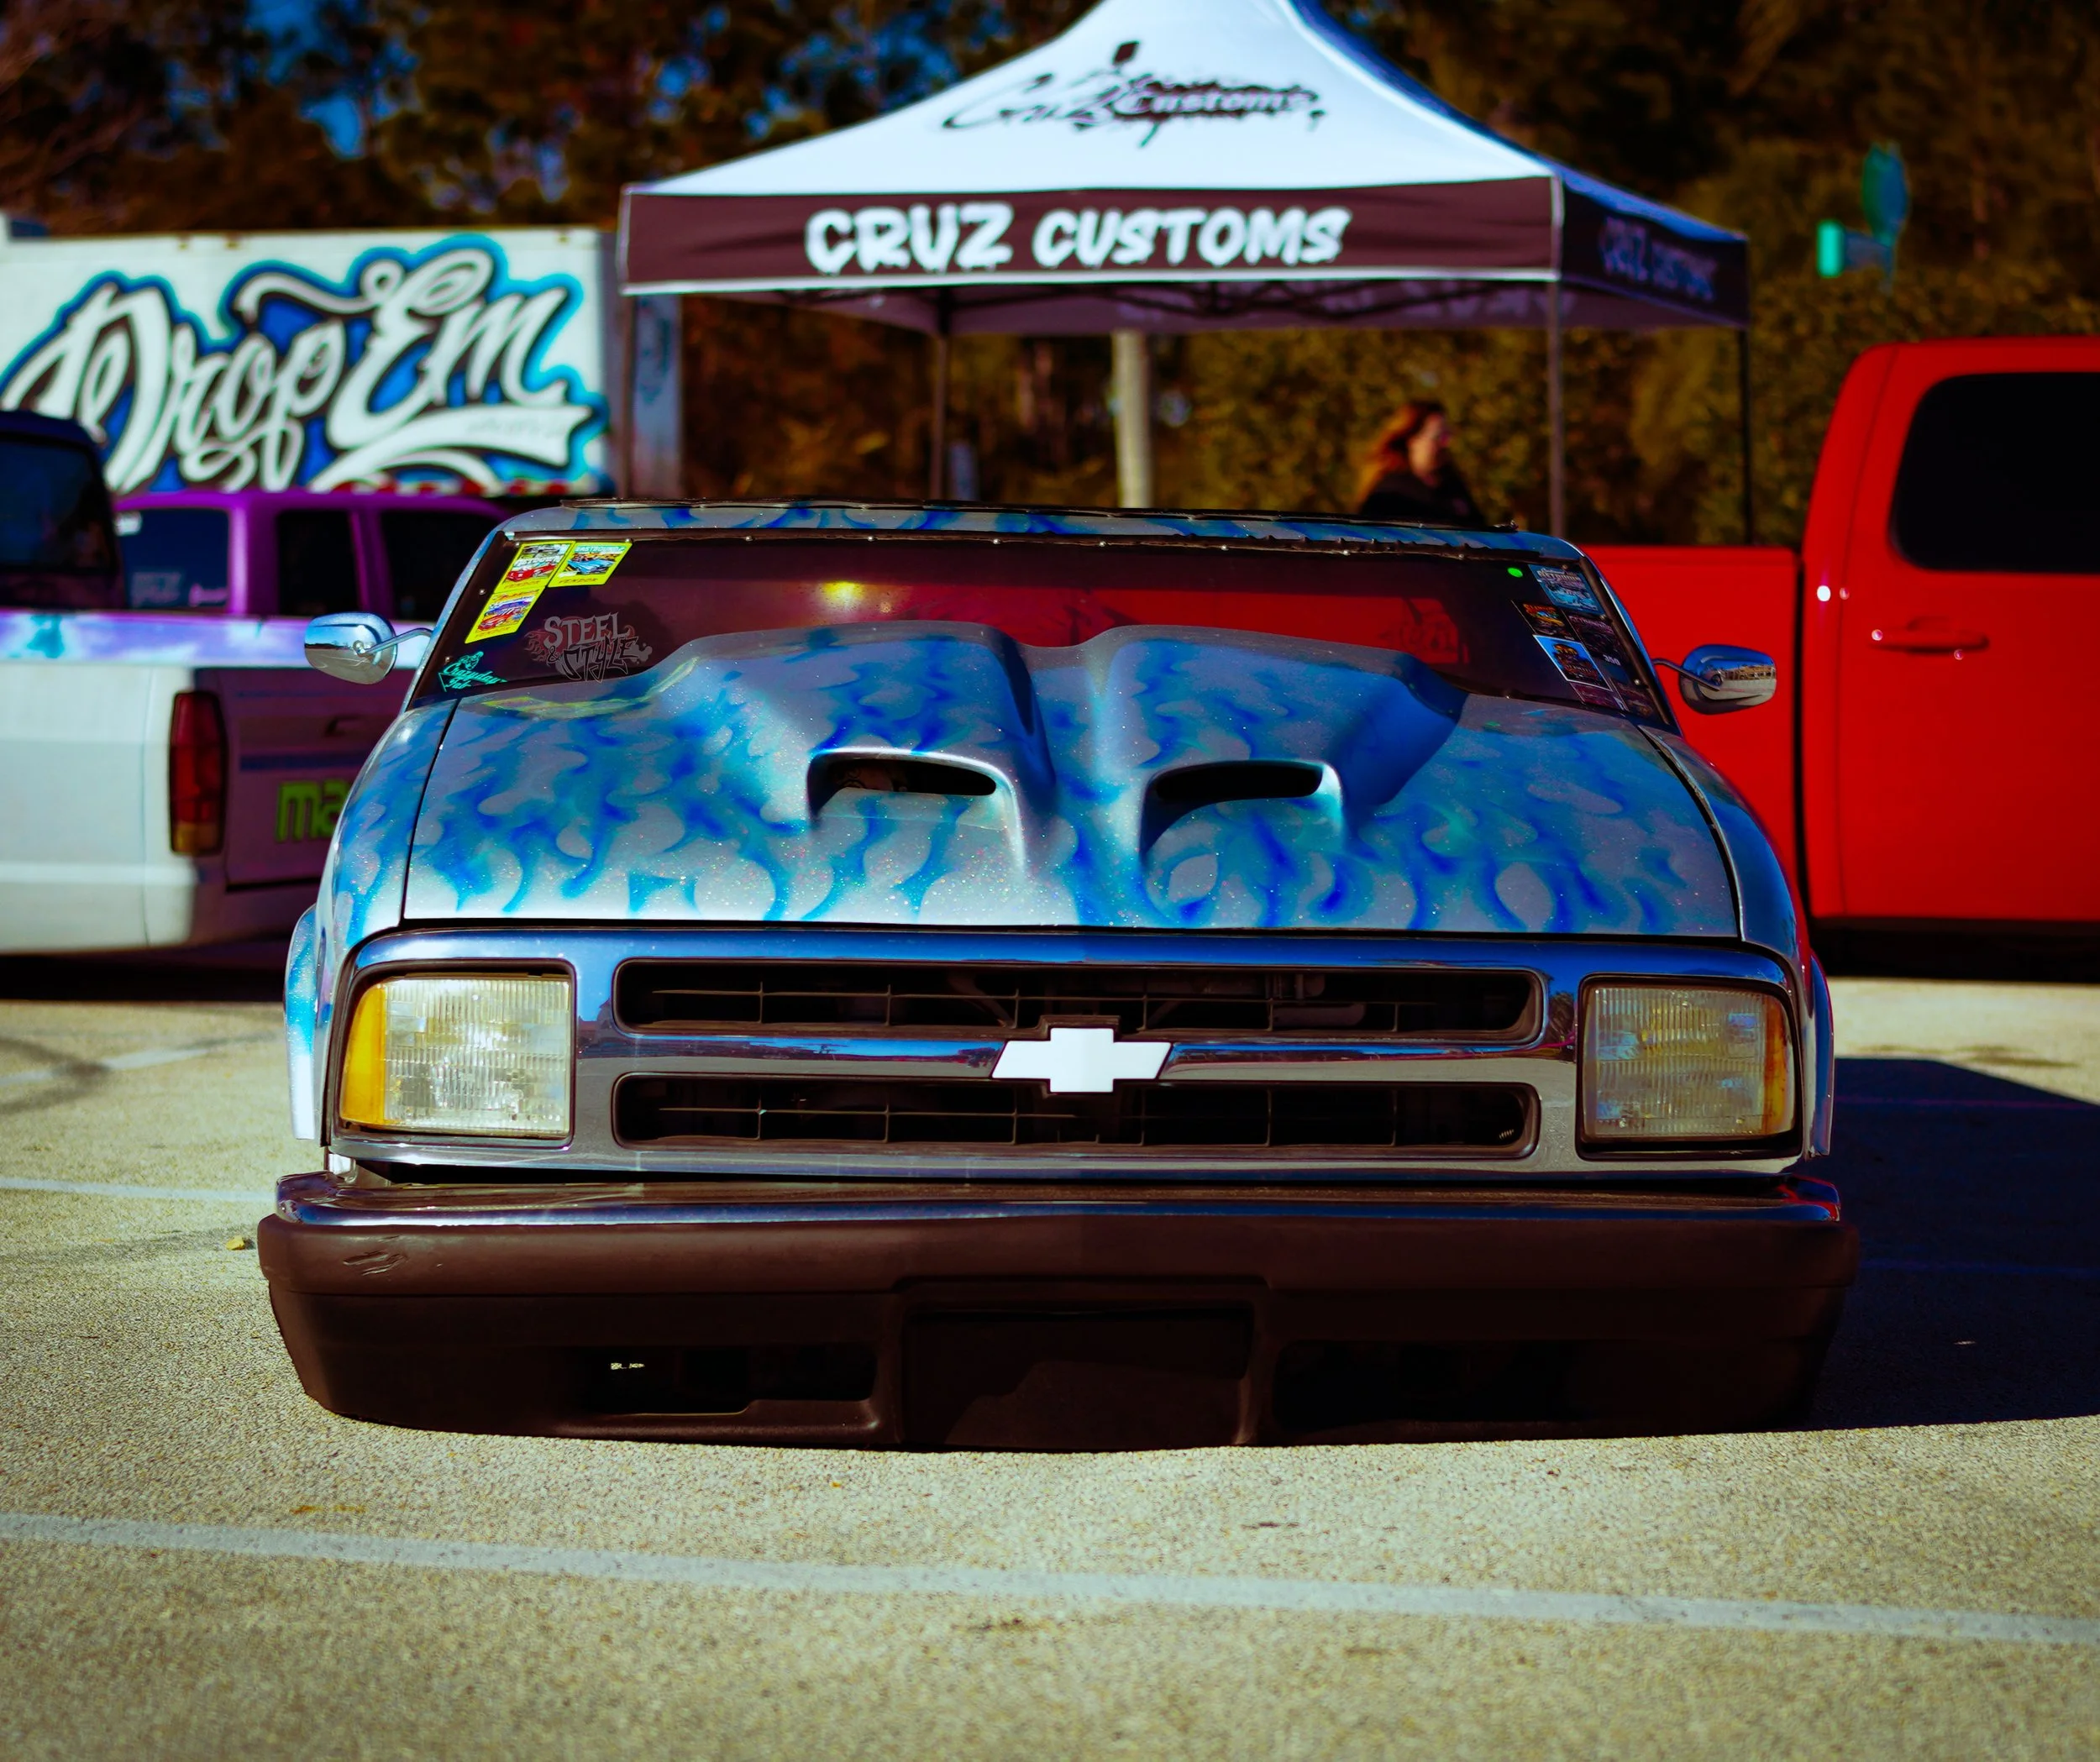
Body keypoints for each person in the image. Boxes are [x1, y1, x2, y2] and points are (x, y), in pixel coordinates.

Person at [1354, 401, 1485, 527]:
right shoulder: (1391, 495)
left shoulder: (1452, 486)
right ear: (1412, 441)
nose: (1446, 443)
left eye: (1447, 435)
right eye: (1438, 437)